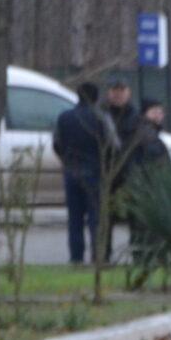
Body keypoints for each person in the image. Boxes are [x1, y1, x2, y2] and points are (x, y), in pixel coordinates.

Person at [52, 83, 115, 263]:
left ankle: (76, 257)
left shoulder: (64, 118)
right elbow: (114, 144)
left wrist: (67, 160)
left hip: (71, 172)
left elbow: (57, 144)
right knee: (96, 217)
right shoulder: (102, 118)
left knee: (75, 219)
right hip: (95, 172)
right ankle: (98, 256)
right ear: (96, 97)